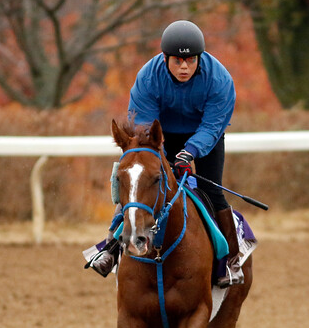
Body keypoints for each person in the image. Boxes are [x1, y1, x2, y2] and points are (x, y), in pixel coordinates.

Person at [88, 20, 243, 287]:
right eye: (178, 61)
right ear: (165, 58)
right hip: (159, 136)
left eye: (191, 60)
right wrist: (161, 156)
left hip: (205, 136)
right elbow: (145, 127)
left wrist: (189, 153)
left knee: (212, 191)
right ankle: (111, 248)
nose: (185, 67)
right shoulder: (148, 78)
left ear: (200, 58)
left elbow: (213, 125)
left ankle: (231, 261)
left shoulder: (219, 80)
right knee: (139, 185)